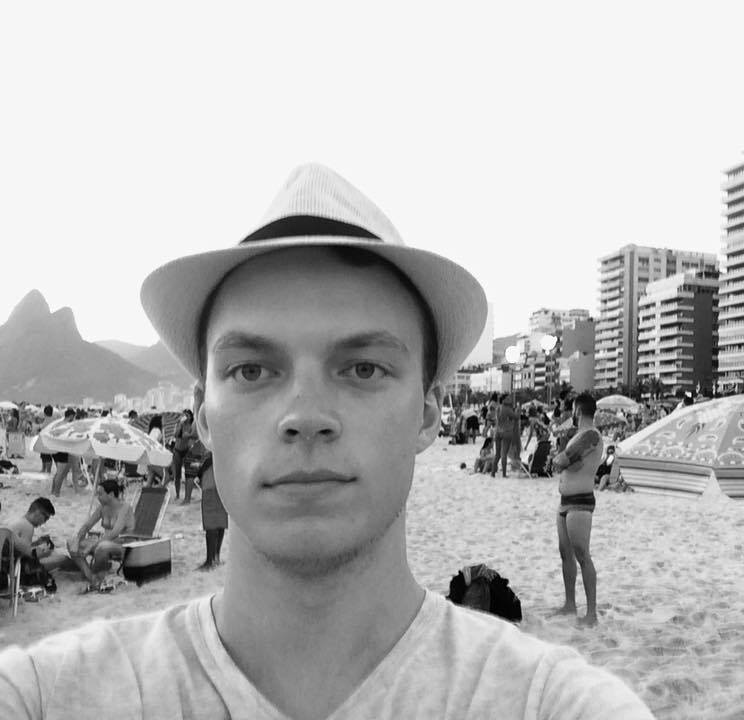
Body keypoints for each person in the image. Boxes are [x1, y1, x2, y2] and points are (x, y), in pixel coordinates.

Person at [0, 164, 650, 718]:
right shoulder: (51, 694)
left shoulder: (550, 703)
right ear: (202, 417)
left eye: (363, 368)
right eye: (251, 371)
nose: (305, 416)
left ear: (428, 414)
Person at [552, 393, 604, 627]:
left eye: (573, 410)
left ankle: (591, 613)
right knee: (566, 553)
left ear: (578, 411)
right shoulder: (579, 436)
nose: (571, 414)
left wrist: (564, 460)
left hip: (580, 501)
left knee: (582, 555)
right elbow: (567, 462)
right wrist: (565, 461)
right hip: (566, 500)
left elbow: (563, 461)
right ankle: (570, 603)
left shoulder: (591, 435)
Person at [67, 479, 134, 592]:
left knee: (102, 546)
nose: (97, 497)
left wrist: (91, 546)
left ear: (111, 494)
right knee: (71, 542)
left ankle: (96, 575)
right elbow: (87, 525)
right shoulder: (103, 507)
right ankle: (91, 577)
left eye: (100, 494)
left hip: (123, 544)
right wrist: (78, 539)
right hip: (104, 542)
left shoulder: (125, 508)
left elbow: (115, 532)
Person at [197, 450, 227, 571]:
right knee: (220, 521)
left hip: (210, 485)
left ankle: (210, 561)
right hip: (222, 485)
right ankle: (216, 557)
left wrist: (200, 468)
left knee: (211, 524)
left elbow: (201, 471)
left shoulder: (211, 452)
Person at [50, 408, 84, 496]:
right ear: (71, 416)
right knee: (60, 473)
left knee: (59, 472)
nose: (74, 418)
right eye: (73, 417)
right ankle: (56, 492)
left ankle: (53, 491)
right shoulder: (67, 425)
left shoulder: (58, 424)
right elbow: (69, 438)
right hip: (62, 450)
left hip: (55, 449)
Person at [170, 409, 198, 500]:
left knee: (188, 474)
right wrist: (180, 424)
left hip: (187, 450)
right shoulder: (179, 424)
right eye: (184, 415)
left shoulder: (192, 425)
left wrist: (189, 435)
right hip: (177, 450)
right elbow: (175, 435)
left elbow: (195, 436)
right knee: (177, 474)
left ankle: (187, 495)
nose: (185, 417)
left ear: (190, 416)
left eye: (187, 415)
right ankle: (177, 494)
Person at [492, 395, 518, 478]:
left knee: (497, 454)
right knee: (504, 454)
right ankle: (504, 474)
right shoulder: (507, 409)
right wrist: (518, 410)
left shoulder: (498, 408)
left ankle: (493, 473)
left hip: (498, 431)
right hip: (506, 432)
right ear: (503, 400)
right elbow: (516, 417)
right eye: (508, 399)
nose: (510, 400)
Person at [37, 405, 56, 474]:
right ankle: (45, 469)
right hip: (50, 440)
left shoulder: (46, 420)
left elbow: (41, 429)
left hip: (45, 440)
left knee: (46, 456)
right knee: (45, 455)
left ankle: (47, 470)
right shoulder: (53, 420)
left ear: (44, 412)